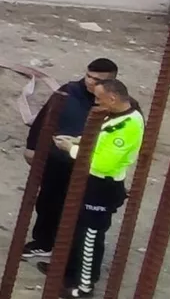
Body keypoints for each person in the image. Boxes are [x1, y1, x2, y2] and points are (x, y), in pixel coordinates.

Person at [23, 58, 116, 261]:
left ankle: (70, 254)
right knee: (48, 202)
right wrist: (32, 147)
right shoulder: (69, 92)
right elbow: (43, 119)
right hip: (57, 162)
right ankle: (44, 242)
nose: (91, 82)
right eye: (89, 76)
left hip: (90, 168)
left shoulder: (114, 105)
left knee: (79, 211)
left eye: (98, 80)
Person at [58, 78, 143, 299]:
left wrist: (71, 150)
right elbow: (100, 140)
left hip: (102, 185)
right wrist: (79, 141)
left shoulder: (129, 125)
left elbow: (101, 163)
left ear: (112, 98)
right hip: (89, 181)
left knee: (90, 235)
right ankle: (68, 272)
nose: (95, 102)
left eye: (99, 98)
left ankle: (84, 285)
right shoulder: (115, 115)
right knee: (75, 228)